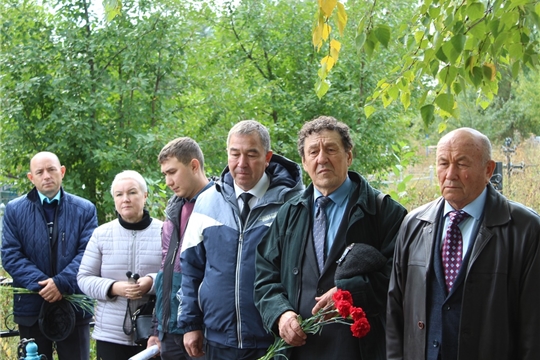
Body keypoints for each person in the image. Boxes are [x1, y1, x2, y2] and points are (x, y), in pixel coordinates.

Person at [254, 116, 407, 359]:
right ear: (304, 162)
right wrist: (280, 314)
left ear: (348, 156)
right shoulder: (288, 213)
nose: (322, 158)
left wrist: (348, 293)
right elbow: (264, 276)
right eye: (313, 152)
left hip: (359, 350)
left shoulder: (384, 212)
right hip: (300, 349)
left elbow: (402, 278)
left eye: (331, 149)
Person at [386, 128, 540, 360]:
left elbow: (533, 327)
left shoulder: (525, 229)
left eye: (461, 163)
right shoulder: (414, 224)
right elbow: (395, 311)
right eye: (443, 163)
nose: (450, 174)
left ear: (488, 169)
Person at [179, 120, 304, 359]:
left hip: (273, 339)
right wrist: (190, 324)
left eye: (251, 154)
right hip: (217, 340)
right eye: (235, 154)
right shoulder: (206, 202)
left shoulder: (293, 203)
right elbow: (190, 268)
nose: (241, 163)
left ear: (267, 157)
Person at [1, 151, 98, 360]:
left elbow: (89, 253)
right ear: (31, 177)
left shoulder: (84, 209)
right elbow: (10, 254)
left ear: (61, 172)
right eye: (40, 172)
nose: (46, 176)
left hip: (74, 306)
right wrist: (44, 286)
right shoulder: (14, 210)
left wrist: (62, 283)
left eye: (51, 169)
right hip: (32, 308)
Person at [77, 170, 162, 360]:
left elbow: (178, 275)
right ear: (114, 199)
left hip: (153, 333)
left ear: (145, 195)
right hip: (110, 335)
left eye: (132, 192)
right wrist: (113, 287)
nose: (126, 199)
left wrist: (152, 282)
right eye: (119, 194)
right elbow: (83, 278)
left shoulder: (165, 231)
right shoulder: (101, 234)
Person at [146, 137, 213, 360]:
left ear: (194, 166)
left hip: (205, 332)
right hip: (170, 331)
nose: (167, 181)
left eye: (172, 172)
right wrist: (157, 329)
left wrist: (197, 326)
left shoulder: (220, 205)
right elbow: (166, 272)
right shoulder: (173, 211)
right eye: (164, 174)